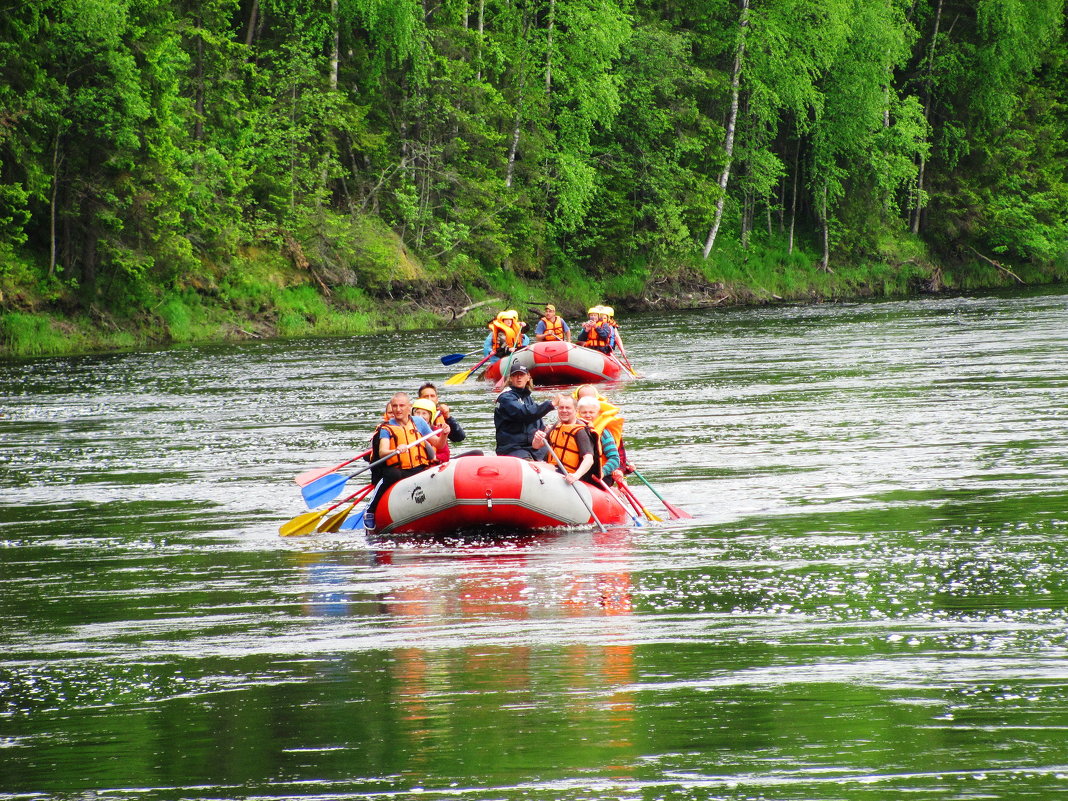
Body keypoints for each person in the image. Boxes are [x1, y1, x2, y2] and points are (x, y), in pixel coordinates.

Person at [364, 392, 449, 531]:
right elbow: (382, 451)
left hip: (418, 468)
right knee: (391, 475)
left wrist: (444, 434)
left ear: (409, 407)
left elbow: (439, 445)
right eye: (395, 406)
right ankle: (370, 510)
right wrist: (396, 450)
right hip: (398, 469)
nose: (398, 409)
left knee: (431, 472)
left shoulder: (419, 422)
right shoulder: (386, 428)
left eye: (402, 406)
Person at [532, 394, 599, 485]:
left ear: (576, 411)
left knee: (534, 466)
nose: (564, 410)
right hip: (554, 468)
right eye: (561, 408)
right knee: (530, 465)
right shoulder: (557, 425)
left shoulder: (580, 431)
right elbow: (536, 446)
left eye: (568, 408)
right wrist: (537, 438)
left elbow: (589, 459)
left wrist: (575, 475)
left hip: (568, 474)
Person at [493, 363, 554, 459]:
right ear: (511, 378)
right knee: (529, 463)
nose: (518, 378)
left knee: (556, 455)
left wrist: (545, 429)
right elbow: (525, 413)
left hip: (532, 446)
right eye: (515, 375)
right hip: (513, 448)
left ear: (528, 377)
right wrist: (550, 404)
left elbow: (535, 420)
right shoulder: (506, 398)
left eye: (521, 375)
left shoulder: (527, 397)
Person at [576, 395, 625, 486]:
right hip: (577, 473)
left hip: (599, 476)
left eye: (591, 412)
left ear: (598, 413)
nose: (587, 415)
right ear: (578, 412)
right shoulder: (574, 429)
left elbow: (614, 459)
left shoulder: (604, 434)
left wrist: (601, 472)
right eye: (584, 412)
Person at [416, 381, 467, 462]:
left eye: (432, 396)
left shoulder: (442, 415)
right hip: (422, 460)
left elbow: (459, 438)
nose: (430, 399)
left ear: (437, 399)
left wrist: (448, 417)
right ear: (419, 400)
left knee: (477, 453)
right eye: (426, 396)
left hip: (440, 457)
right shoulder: (414, 416)